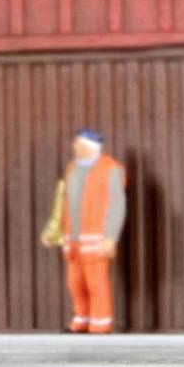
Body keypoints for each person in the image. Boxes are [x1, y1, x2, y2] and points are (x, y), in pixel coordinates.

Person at [40, 128, 128, 334]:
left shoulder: (111, 169)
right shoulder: (73, 168)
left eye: (79, 144)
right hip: (74, 239)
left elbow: (117, 206)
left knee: (97, 283)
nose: (75, 147)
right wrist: (55, 231)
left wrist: (110, 237)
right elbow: (63, 202)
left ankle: (100, 323)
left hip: (96, 239)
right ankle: (81, 319)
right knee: (76, 283)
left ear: (90, 147)